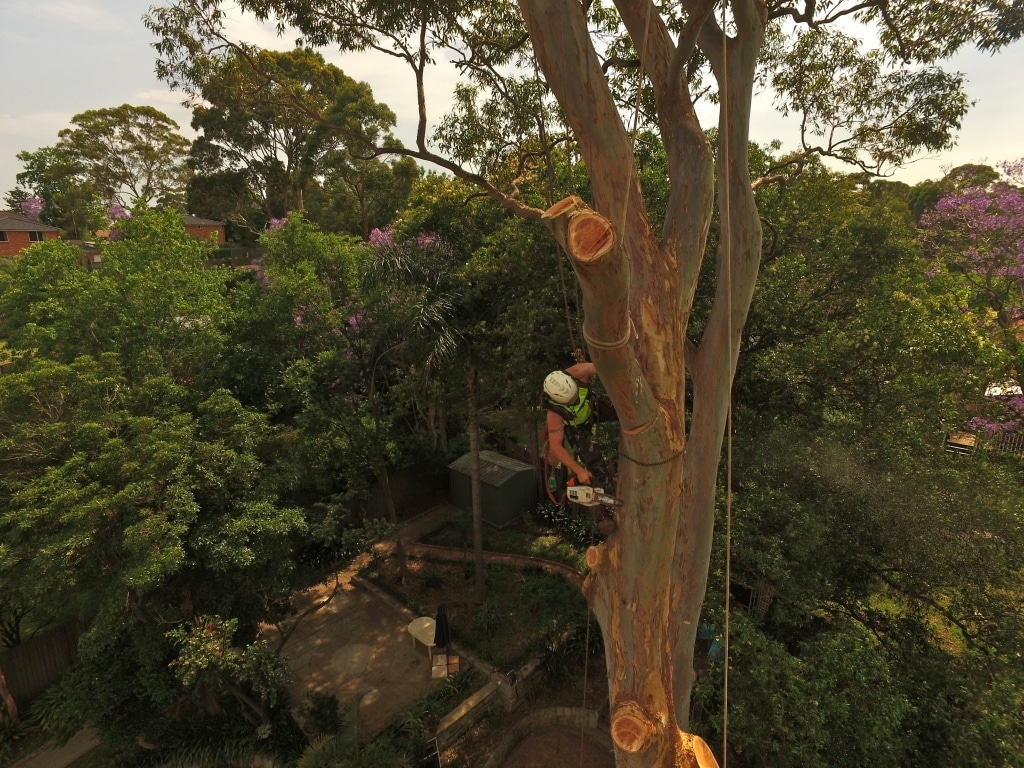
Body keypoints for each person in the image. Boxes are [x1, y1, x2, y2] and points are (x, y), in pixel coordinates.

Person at [542, 362, 618, 532]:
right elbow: (556, 446)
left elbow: (610, 364)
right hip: (576, 427)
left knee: (624, 404)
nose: (574, 400)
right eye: (570, 401)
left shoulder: (580, 371)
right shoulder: (554, 413)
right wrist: (578, 470)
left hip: (592, 404)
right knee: (595, 468)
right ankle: (600, 514)